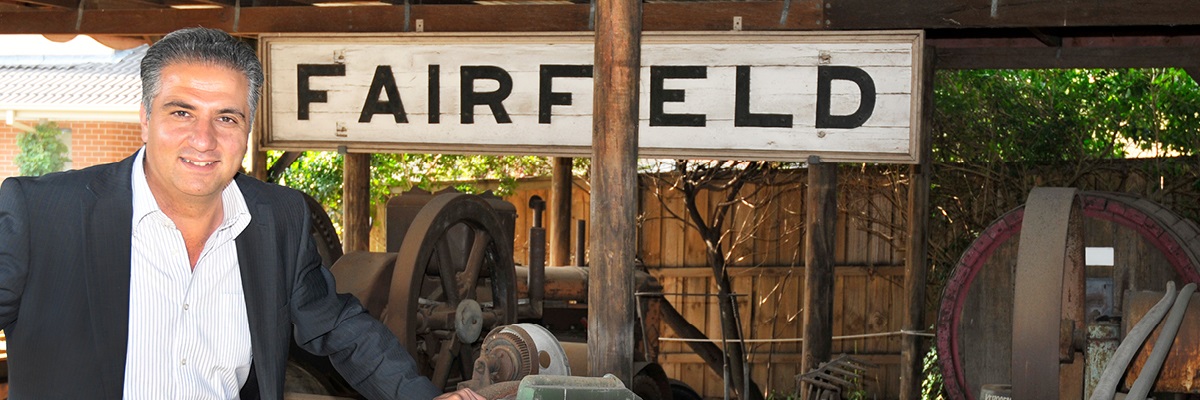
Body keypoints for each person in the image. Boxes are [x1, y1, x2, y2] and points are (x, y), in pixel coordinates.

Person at [0, 27, 484, 400]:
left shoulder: (277, 218)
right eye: (181, 112)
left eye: (227, 118)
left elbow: (338, 328)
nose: (204, 140)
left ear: (248, 128)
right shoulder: (41, 215)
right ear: (144, 118)